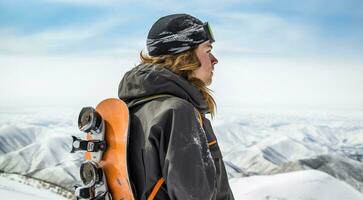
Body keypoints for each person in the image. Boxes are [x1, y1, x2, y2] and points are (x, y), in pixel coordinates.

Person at [118, 13, 235, 200]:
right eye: (207, 50)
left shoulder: (135, 108)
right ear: (185, 56)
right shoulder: (178, 112)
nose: (214, 59)